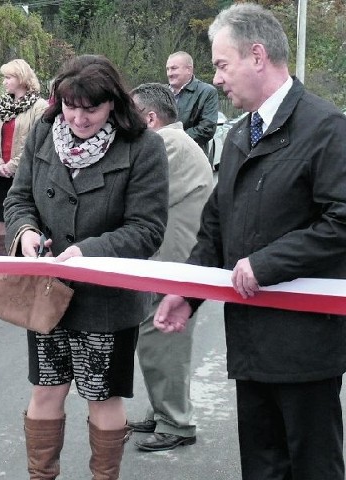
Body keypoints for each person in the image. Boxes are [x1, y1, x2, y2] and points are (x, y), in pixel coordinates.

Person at [154, 4, 346, 479]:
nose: (217, 80)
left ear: (257, 55)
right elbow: (216, 228)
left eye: (222, 65)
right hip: (252, 340)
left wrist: (267, 263)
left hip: (306, 345)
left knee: (312, 467)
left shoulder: (326, 129)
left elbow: (341, 221)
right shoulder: (241, 135)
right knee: (262, 468)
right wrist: (187, 292)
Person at [3, 54, 168, 479]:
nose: (78, 117)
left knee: (104, 398)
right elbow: (18, 198)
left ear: (113, 102)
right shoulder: (43, 132)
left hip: (107, 299)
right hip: (49, 294)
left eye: (90, 108)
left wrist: (88, 253)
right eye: (71, 106)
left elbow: (148, 230)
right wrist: (24, 232)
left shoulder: (144, 147)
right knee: (45, 391)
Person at [127, 83, 213, 451]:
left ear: (150, 118)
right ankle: (163, 411)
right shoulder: (175, 143)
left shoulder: (168, 145)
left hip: (173, 260)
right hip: (171, 257)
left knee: (164, 341)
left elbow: (130, 193)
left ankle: (176, 422)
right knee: (156, 340)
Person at [0, 59, 47, 255]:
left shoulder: (39, 106)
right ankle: (2, 271)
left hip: (25, 175)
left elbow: (35, 142)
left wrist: (12, 165)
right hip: (0, 174)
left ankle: (23, 269)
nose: (4, 82)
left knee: (25, 223)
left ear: (21, 78)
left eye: (8, 77)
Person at [166, 51, 218, 154]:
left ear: (189, 70)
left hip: (191, 158)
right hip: (164, 157)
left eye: (174, 68)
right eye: (167, 69)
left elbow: (207, 129)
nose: (169, 73)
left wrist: (172, 140)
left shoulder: (206, 92)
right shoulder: (161, 93)